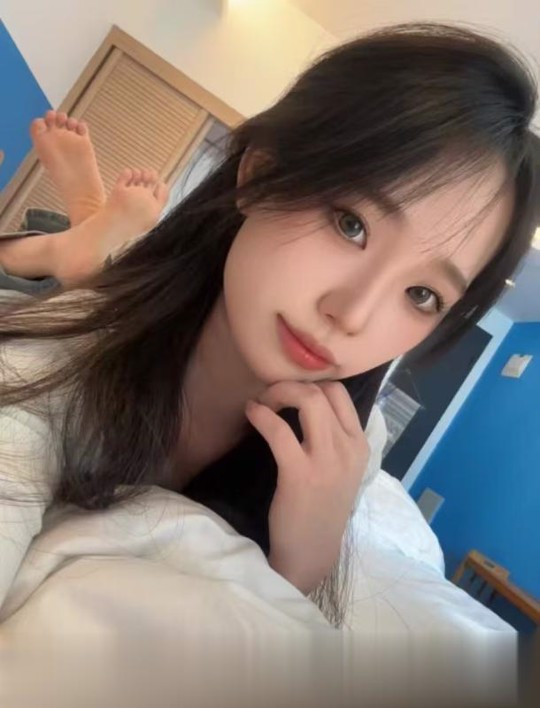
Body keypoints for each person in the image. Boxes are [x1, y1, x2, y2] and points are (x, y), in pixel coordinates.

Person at [0, 22, 538, 628]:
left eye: (422, 294)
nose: (351, 316)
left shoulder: (352, 450)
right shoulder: (46, 367)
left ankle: (87, 239)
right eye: (351, 224)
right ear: (258, 176)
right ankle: (80, 243)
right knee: (81, 296)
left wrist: (304, 562)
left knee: (100, 274)